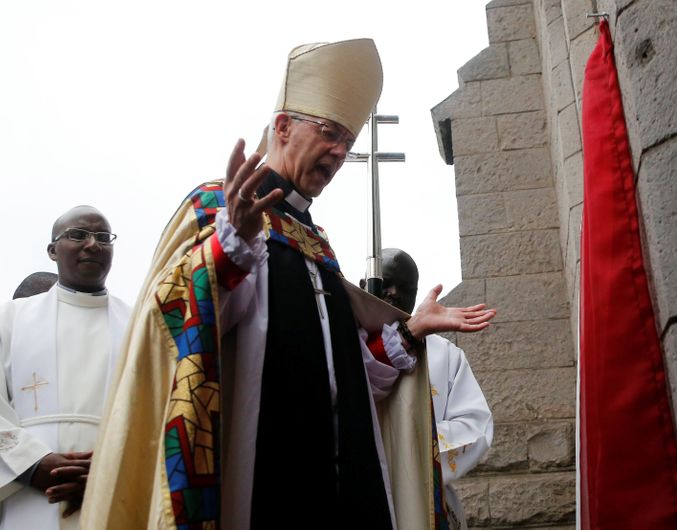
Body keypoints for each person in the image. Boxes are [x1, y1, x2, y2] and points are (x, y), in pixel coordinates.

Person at [80, 38, 495, 530]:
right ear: (282, 126)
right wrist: (230, 246)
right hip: (260, 480)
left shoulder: (317, 245)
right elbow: (175, 329)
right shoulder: (216, 210)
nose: (341, 151)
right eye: (329, 132)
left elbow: (349, 379)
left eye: (348, 139)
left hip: (339, 486)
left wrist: (408, 333)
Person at [0, 206, 131, 530]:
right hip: (28, 493)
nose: (93, 244)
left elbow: (156, 412)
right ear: (52, 250)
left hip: (117, 489)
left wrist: (109, 473)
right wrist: (32, 466)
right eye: (77, 235)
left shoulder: (139, 324)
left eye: (103, 237)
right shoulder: (10, 318)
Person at [364, 248, 494, 529]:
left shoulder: (446, 354)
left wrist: (411, 443)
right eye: (386, 282)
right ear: (365, 284)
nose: (395, 293)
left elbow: (475, 426)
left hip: (427, 499)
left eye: (407, 288)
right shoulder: (345, 340)